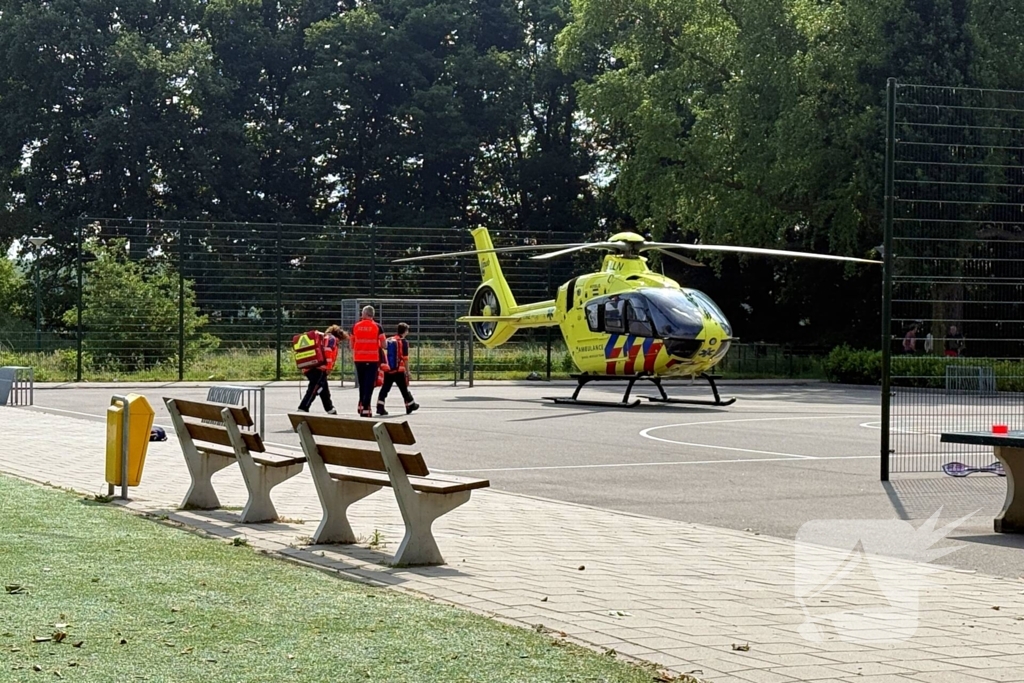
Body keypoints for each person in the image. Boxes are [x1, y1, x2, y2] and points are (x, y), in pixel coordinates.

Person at [297, 324, 347, 414]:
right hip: (319, 369)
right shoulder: (332, 339)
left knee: (324, 389)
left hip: (309, 367)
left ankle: (330, 408)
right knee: (314, 389)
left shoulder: (323, 337)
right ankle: (303, 408)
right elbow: (327, 350)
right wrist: (329, 367)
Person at [376, 322, 420, 416]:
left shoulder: (389, 340)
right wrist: (408, 371)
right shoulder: (404, 342)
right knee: (404, 389)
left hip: (389, 370)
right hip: (399, 370)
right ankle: (410, 405)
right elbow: (405, 358)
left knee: (385, 389)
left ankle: (380, 407)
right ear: (405, 331)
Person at [350, 305, 386, 417]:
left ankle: (361, 405)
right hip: (372, 359)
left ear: (364, 314)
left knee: (362, 383)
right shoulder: (378, 327)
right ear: (372, 315)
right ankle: (366, 407)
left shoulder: (355, 326)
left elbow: (351, 345)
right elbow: (384, 344)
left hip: (359, 358)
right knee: (369, 384)